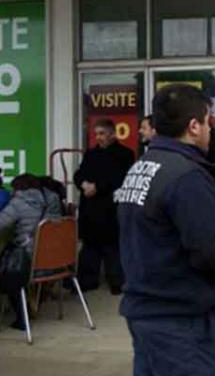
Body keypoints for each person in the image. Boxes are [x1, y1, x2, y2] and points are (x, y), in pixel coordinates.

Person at [116, 84, 215, 376]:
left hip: (145, 309)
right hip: (178, 316)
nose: (211, 129)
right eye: (209, 121)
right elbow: (213, 251)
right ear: (194, 126)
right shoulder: (187, 177)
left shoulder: (140, 168)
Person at [74, 118, 134, 294]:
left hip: (110, 208)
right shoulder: (91, 154)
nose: (98, 138)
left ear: (112, 134)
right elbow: (79, 174)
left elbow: (120, 178)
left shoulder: (125, 154)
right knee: (90, 247)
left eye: (102, 134)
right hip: (90, 209)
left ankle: (116, 281)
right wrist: (83, 184)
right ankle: (87, 281)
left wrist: (97, 187)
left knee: (112, 248)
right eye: (96, 134)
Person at [0, 174, 62, 330]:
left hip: (28, 262)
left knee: (7, 271)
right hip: (54, 260)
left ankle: (22, 317)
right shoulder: (52, 199)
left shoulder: (18, 202)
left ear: (19, 189)